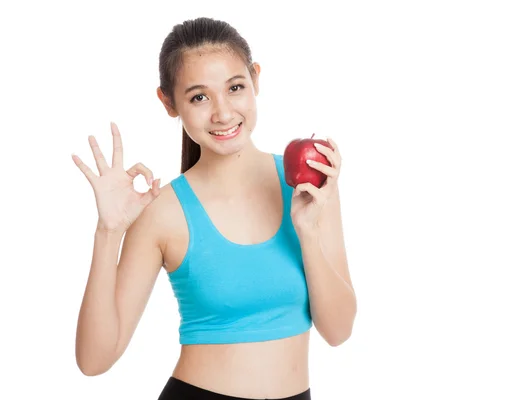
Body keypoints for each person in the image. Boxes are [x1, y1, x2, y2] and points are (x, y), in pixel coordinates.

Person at [72, 16, 357, 400]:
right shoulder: (163, 211)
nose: (223, 113)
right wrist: (108, 232)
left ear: (255, 79)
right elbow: (94, 360)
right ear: (169, 103)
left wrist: (307, 233)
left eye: (235, 87)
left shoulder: (308, 186)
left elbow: (338, 332)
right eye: (199, 97)